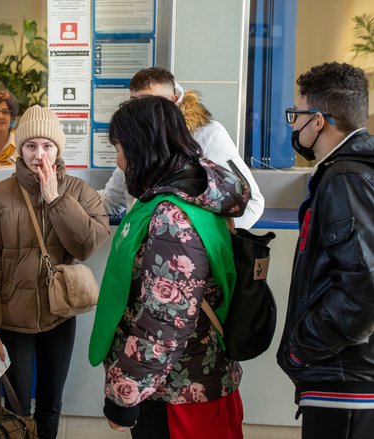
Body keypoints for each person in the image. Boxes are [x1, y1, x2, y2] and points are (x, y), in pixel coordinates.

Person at [89, 96, 250, 438]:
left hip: (179, 393)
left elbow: (162, 321)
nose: (119, 161)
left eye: (119, 147)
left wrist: (124, 393)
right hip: (195, 380)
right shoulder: (198, 193)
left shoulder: (172, 218)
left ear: (140, 147)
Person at [0, 105, 110, 438]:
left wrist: (54, 199)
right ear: (21, 149)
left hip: (58, 315)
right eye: (31, 146)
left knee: (51, 404)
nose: (39, 155)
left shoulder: (78, 192)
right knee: (17, 407)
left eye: (47, 146)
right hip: (11, 319)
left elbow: (87, 246)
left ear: (58, 149)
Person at [276, 62, 374, 439]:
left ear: (318, 121)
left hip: (344, 382)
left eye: (296, 115)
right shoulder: (354, 171)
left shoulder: (346, 178)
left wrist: (302, 348)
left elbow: (364, 288)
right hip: (349, 377)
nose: (293, 126)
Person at [99, 67, 264, 229]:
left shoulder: (207, 134)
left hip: (186, 247)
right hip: (141, 242)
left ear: (173, 100)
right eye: (133, 101)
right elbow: (111, 200)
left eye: (149, 100)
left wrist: (201, 236)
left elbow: (251, 203)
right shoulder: (136, 141)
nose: (138, 109)